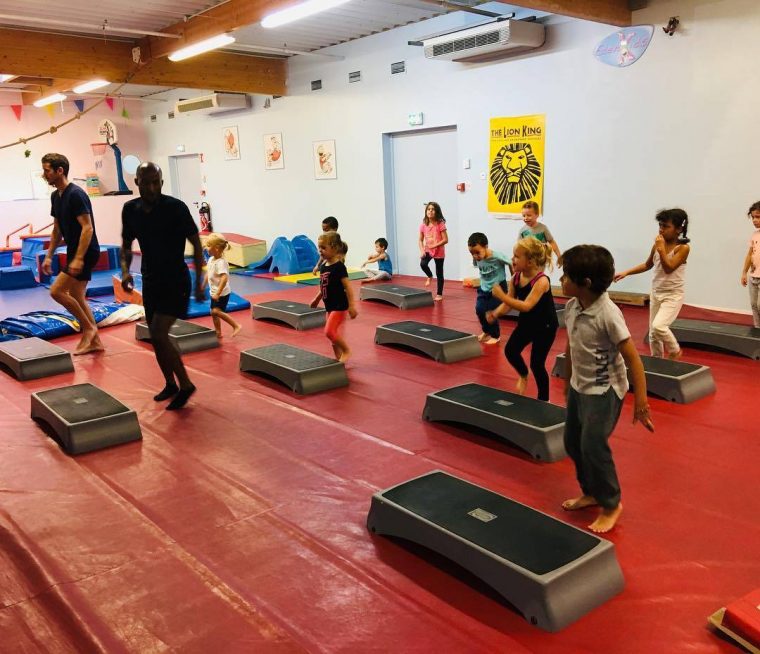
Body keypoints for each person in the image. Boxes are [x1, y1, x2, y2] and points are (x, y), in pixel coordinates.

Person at [560, 244, 654, 533]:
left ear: (585, 283)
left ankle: (611, 503)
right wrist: (568, 381)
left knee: (593, 446)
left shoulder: (608, 314)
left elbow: (633, 358)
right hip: (580, 387)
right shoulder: (572, 307)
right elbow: (571, 346)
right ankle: (591, 491)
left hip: (604, 392)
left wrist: (641, 401)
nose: (561, 280)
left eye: (565, 276)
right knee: (572, 442)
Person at [120, 162, 205, 410]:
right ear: (136, 182)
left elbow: (196, 244)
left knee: (159, 332)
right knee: (156, 337)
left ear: (162, 182)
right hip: (150, 279)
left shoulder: (175, 208)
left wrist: (200, 281)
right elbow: (126, 244)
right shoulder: (130, 209)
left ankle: (186, 384)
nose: (151, 187)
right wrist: (126, 272)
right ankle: (170, 383)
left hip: (176, 279)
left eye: (156, 182)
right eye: (145, 182)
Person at [40, 153, 104, 355]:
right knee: (76, 294)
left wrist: (78, 258)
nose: (44, 175)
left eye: (47, 170)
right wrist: (49, 255)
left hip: (85, 251)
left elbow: (87, 228)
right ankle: (96, 342)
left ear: (60, 171)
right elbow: (57, 229)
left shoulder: (76, 194)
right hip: (73, 251)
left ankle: (89, 329)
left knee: (56, 291)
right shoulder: (55, 196)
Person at [613, 208, 691, 359]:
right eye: (660, 226)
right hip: (656, 293)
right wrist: (626, 272)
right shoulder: (657, 246)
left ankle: (675, 350)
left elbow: (668, 268)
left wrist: (661, 249)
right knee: (653, 335)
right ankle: (657, 361)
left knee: (659, 326)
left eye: (666, 226)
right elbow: (648, 265)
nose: (661, 230)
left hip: (673, 296)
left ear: (679, 229)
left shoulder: (683, 248)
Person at [487, 237, 558, 399]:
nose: (512, 259)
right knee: (511, 350)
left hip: (545, 327)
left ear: (531, 262)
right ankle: (523, 375)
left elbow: (526, 305)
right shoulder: (516, 278)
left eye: (517, 256)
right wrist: (496, 313)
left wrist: (501, 296)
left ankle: (544, 400)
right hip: (527, 323)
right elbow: (509, 304)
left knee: (537, 364)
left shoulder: (541, 281)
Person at [310, 231, 357, 362]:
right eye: (319, 247)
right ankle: (338, 359)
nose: (320, 250)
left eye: (324, 248)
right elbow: (324, 286)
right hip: (329, 306)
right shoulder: (324, 266)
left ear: (335, 248)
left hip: (339, 306)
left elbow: (348, 287)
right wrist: (316, 299)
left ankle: (347, 351)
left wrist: (352, 306)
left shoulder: (339, 267)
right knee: (332, 336)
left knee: (329, 332)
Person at [467, 232, 511, 345]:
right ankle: (486, 331)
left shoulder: (496, 256)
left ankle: (496, 336)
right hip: (484, 288)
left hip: (498, 288)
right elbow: (479, 265)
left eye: (477, 252)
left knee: (490, 312)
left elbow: (512, 262)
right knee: (479, 310)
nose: (475, 256)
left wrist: (514, 277)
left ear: (486, 246)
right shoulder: (476, 257)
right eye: (472, 253)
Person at [203, 233, 242, 338]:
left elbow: (224, 278)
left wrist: (218, 293)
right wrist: (203, 285)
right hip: (214, 292)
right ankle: (218, 332)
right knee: (213, 313)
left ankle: (236, 325)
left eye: (208, 246)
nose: (206, 248)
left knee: (216, 311)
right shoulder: (211, 260)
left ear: (216, 248)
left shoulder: (221, 262)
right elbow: (209, 273)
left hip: (222, 293)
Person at [419, 201, 448, 301]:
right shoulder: (423, 225)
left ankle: (439, 294)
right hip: (428, 250)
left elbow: (445, 239)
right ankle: (429, 276)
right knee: (423, 264)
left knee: (439, 272)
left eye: (433, 209)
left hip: (439, 251)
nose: (430, 211)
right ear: (426, 211)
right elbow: (420, 240)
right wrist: (422, 250)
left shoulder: (440, 224)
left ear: (436, 212)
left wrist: (434, 245)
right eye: (428, 209)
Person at [740, 201, 760, 327]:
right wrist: (744, 272)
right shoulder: (754, 235)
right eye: (753, 217)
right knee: (753, 305)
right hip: (754, 276)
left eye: (758, 217)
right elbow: (749, 254)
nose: (754, 220)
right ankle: (757, 329)